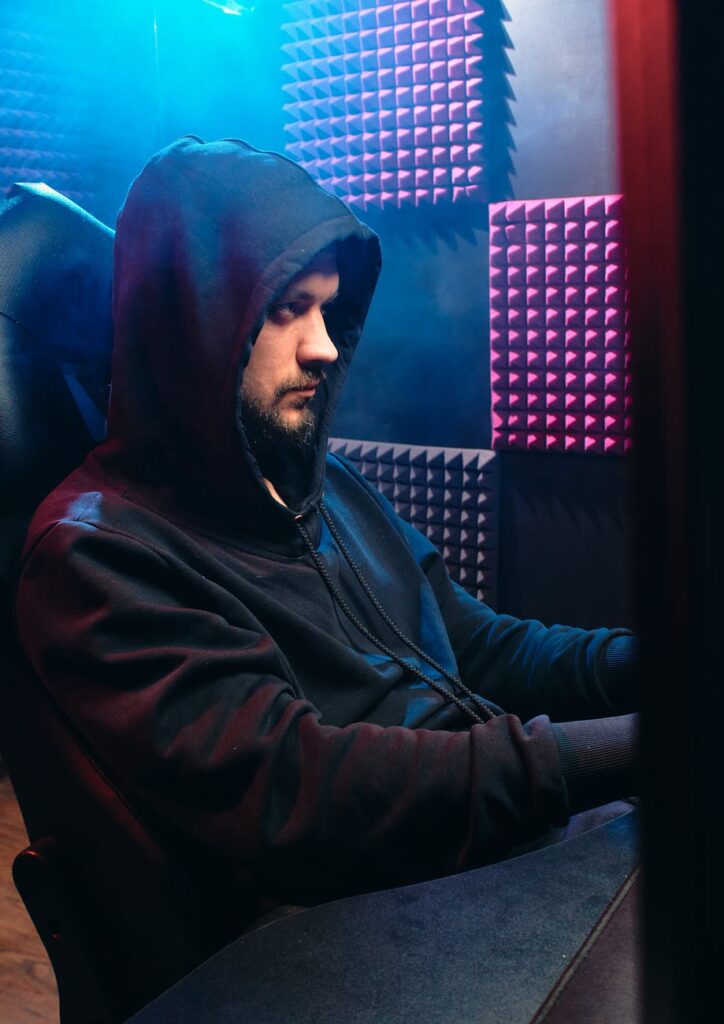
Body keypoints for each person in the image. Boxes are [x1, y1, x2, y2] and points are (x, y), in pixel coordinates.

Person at [15, 136, 637, 932]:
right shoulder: (94, 554)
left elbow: (482, 648)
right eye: (287, 309)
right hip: (366, 929)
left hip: (484, 854)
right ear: (195, 321)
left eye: (327, 306)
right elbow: (309, 792)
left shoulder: (315, 481)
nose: (325, 345)